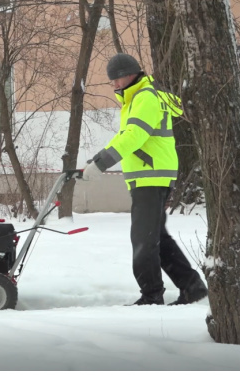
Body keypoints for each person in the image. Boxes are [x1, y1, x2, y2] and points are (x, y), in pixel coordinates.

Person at [83, 53, 208, 306]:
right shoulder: (138, 98)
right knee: (156, 237)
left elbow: (134, 136)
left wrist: (102, 163)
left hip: (151, 176)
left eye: (115, 80)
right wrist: (97, 159)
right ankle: (192, 287)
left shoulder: (145, 97)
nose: (114, 85)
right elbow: (128, 136)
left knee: (143, 239)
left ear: (129, 75)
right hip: (150, 175)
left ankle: (151, 296)